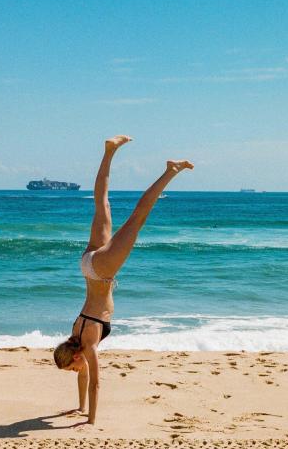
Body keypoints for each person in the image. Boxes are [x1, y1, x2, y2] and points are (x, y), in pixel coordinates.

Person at [53, 135, 193, 425]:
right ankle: (109, 151)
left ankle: (170, 171)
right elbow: (84, 376)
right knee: (101, 203)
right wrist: (79, 408)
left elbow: (95, 384)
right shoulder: (76, 331)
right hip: (88, 264)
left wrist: (89, 421)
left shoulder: (89, 342)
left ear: (75, 356)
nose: (76, 371)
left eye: (71, 368)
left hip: (103, 270)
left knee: (138, 217)